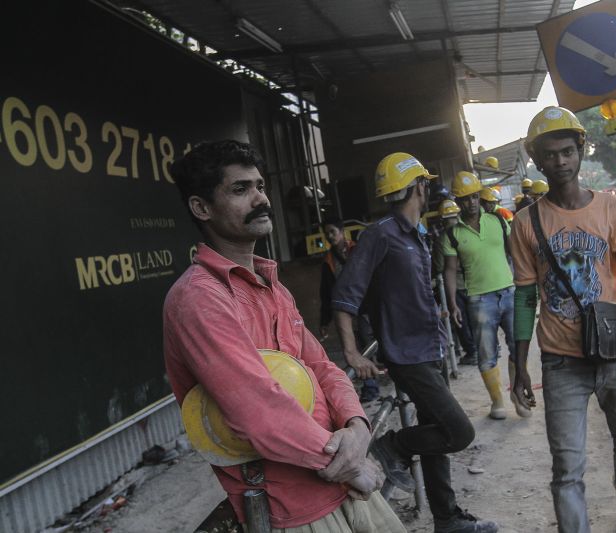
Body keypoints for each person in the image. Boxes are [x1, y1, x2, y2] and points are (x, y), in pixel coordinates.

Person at [163, 140, 404, 532]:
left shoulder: (272, 287)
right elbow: (258, 412)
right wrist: (349, 463)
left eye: (260, 186)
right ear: (201, 208)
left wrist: (358, 425)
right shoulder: (198, 298)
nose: (260, 198)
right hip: (292, 507)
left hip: (343, 478)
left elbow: (323, 367)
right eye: (240, 189)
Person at [509, 107, 616, 533]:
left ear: (581, 151)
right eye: (550, 155)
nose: (560, 162)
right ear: (538, 159)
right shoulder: (525, 222)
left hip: (613, 352)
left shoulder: (610, 208)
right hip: (559, 360)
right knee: (567, 464)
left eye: (568, 151)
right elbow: (525, 296)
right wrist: (518, 365)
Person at [332, 152, 498, 533]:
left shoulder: (416, 235)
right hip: (407, 356)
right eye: (426, 185)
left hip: (431, 349)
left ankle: (447, 518)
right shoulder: (380, 235)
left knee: (437, 435)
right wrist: (353, 353)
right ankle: (392, 447)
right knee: (458, 431)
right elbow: (345, 297)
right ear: (419, 187)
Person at [443, 171, 530, 420]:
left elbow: (514, 253)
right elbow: (449, 270)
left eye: (473, 197)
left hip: (509, 293)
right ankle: (497, 401)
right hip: (479, 300)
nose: (471, 203)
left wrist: (524, 284)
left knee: (518, 347)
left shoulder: (498, 221)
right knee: (487, 353)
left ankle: (517, 393)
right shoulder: (452, 234)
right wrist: (452, 303)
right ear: (458, 202)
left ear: (478, 197)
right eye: (465, 199)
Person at [319, 218, 381, 402]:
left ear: (342, 230)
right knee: (359, 347)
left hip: (370, 305)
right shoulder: (328, 261)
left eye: (333, 232)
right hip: (349, 311)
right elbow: (326, 292)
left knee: (374, 341)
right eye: (327, 233)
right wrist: (325, 320)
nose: (330, 236)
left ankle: (387, 376)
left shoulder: (358, 248)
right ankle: (370, 387)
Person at [431, 199, 478, 366]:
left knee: (460, 319)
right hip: (474, 281)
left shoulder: (443, 238)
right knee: (477, 317)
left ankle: (472, 352)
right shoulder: (469, 231)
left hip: (454, 285)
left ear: (443, 219)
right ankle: (485, 347)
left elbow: (439, 266)